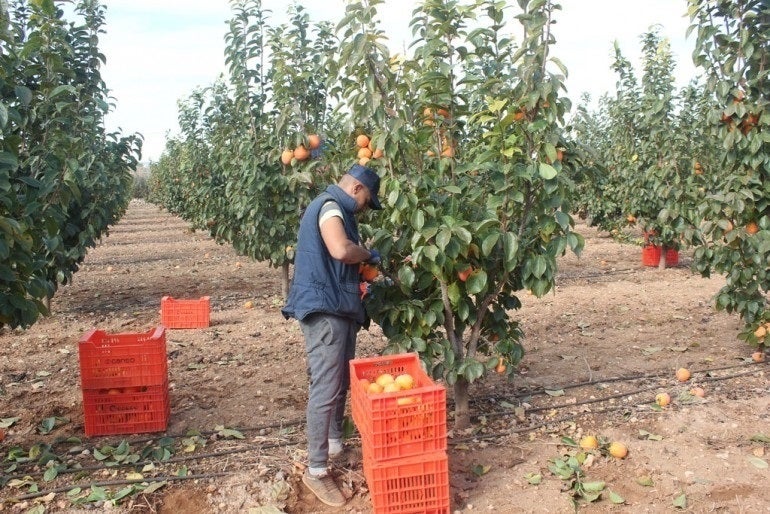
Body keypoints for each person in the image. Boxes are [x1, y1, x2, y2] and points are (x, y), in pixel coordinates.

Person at [281, 163, 383, 507]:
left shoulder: (336, 208)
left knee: (339, 378)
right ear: (356, 189)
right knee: (326, 385)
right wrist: (367, 254)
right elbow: (340, 249)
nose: (366, 208)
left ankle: (335, 445)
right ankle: (317, 469)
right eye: (368, 200)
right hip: (324, 309)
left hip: (337, 306)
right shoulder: (329, 206)